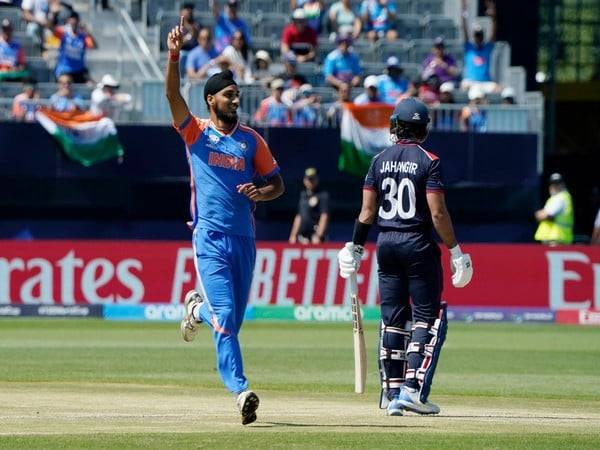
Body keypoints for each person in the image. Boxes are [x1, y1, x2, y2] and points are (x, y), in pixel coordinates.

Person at [166, 18, 285, 426]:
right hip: (209, 237)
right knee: (228, 316)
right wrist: (174, 55)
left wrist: (261, 193)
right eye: (229, 96)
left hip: (243, 239)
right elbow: (172, 95)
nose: (236, 101)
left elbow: (277, 185)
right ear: (211, 99)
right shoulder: (196, 132)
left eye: (237, 95)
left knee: (230, 318)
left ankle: (195, 309)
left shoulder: (251, 139)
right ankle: (240, 391)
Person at [337, 97, 473, 417]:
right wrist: (456, 253)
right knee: (427, 318)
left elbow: (367, 212)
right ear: (423, 129)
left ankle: (391, 391)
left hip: (386, 244)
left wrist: (355, 247)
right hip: (417, 243)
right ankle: (411, 392)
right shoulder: (430, 161)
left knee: (393, 320)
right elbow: (438, 214)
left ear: (395, 125)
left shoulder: (379, 160)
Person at [460, 0, 498, 93]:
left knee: (499, 89)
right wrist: (463, 11)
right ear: (474, 36)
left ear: (483, 36)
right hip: (470, 82)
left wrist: (493, 18)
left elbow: (493, 33)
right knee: (464, 86)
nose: (478, 38)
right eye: (477, 35)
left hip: (485, 83)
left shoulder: (487, 48)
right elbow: (464, 28)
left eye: (480, 35)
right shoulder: (469, 48)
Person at [51, 11, 97, 83]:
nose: (73, 23)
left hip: (79, 70)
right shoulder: (64, 33)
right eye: (71, 21)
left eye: (75, 21)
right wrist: (54, 15)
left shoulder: (83, 36)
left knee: (90, 84)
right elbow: (52, 29)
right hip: (64, 69)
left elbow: (94, 46)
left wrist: (88, 32)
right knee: (65, 81)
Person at [289, 167, 330, 244]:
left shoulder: (323, 195)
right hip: (303, 236)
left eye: (313, 179)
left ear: (317, 179)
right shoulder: (303, 195)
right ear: (304, 180)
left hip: (316, 236)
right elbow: (299, 216)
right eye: (308, 179)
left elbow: (324, 216)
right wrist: (293, 235)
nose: (310, 182)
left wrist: (318, 235)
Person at [534, 173, 574, 245]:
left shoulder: (561, 197)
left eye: (557, 183)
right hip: (553, 239)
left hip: (557, 240)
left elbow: (547, 215)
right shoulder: (555, 198)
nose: (554, 186)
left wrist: (539, 214)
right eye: (552, 183)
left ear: (563, 184)